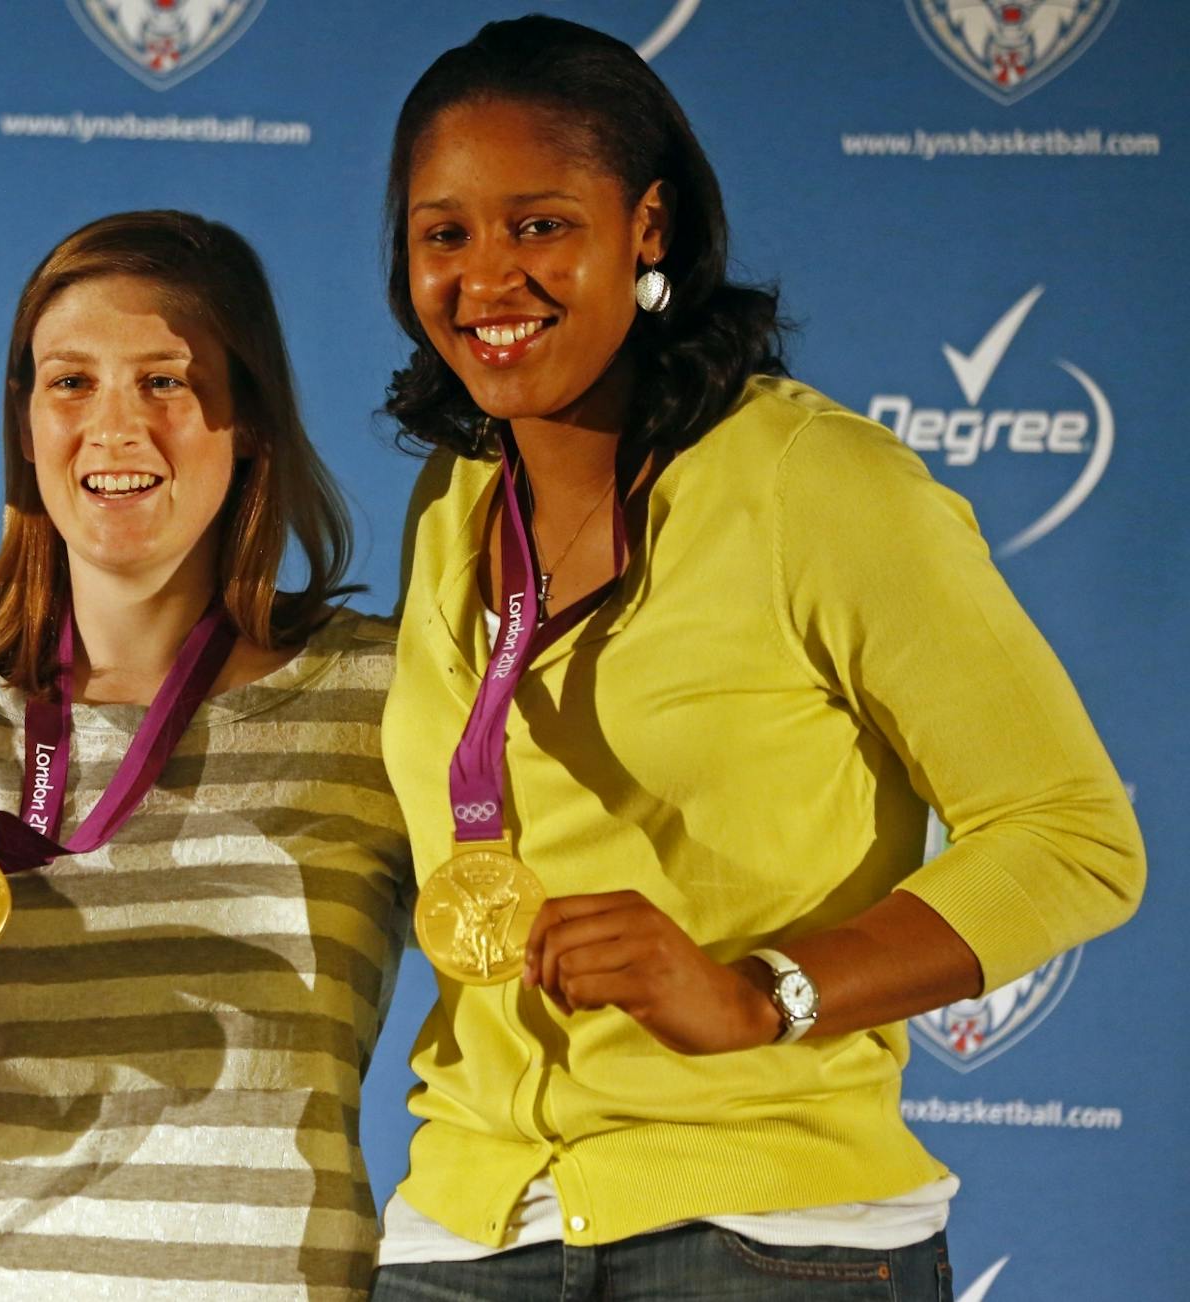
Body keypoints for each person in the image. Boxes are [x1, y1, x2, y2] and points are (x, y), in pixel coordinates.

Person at [371, 17, 1144, 1301]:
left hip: (763, 1241)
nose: (487, 278)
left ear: (650, 227)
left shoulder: (813, 482)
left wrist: (763, 992)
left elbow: (1071, 836)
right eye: (444, 234)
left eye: (541, 224)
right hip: (464, 1233)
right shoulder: (456, 503)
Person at [0, 211, 413, 1300]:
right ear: (22, 419)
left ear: (247, 420)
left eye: (165, 381)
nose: (115, 427)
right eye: (71, 382)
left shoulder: (375, 696)